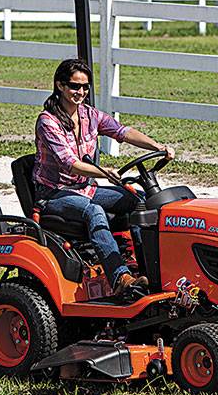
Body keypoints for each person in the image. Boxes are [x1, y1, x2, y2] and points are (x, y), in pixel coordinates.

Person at [33, 58, 175, 293]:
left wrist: (157, 147)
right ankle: (120, 279)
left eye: (85, 87)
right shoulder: (48, 122)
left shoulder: (90, 115)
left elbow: (122, 132)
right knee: (93, 211)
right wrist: (103, 172)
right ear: (59, 85)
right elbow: (69, 164)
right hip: (54, 194)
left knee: (139, 201)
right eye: (74, 86)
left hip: (86, 189)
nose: (80, 92)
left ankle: (149, 270)